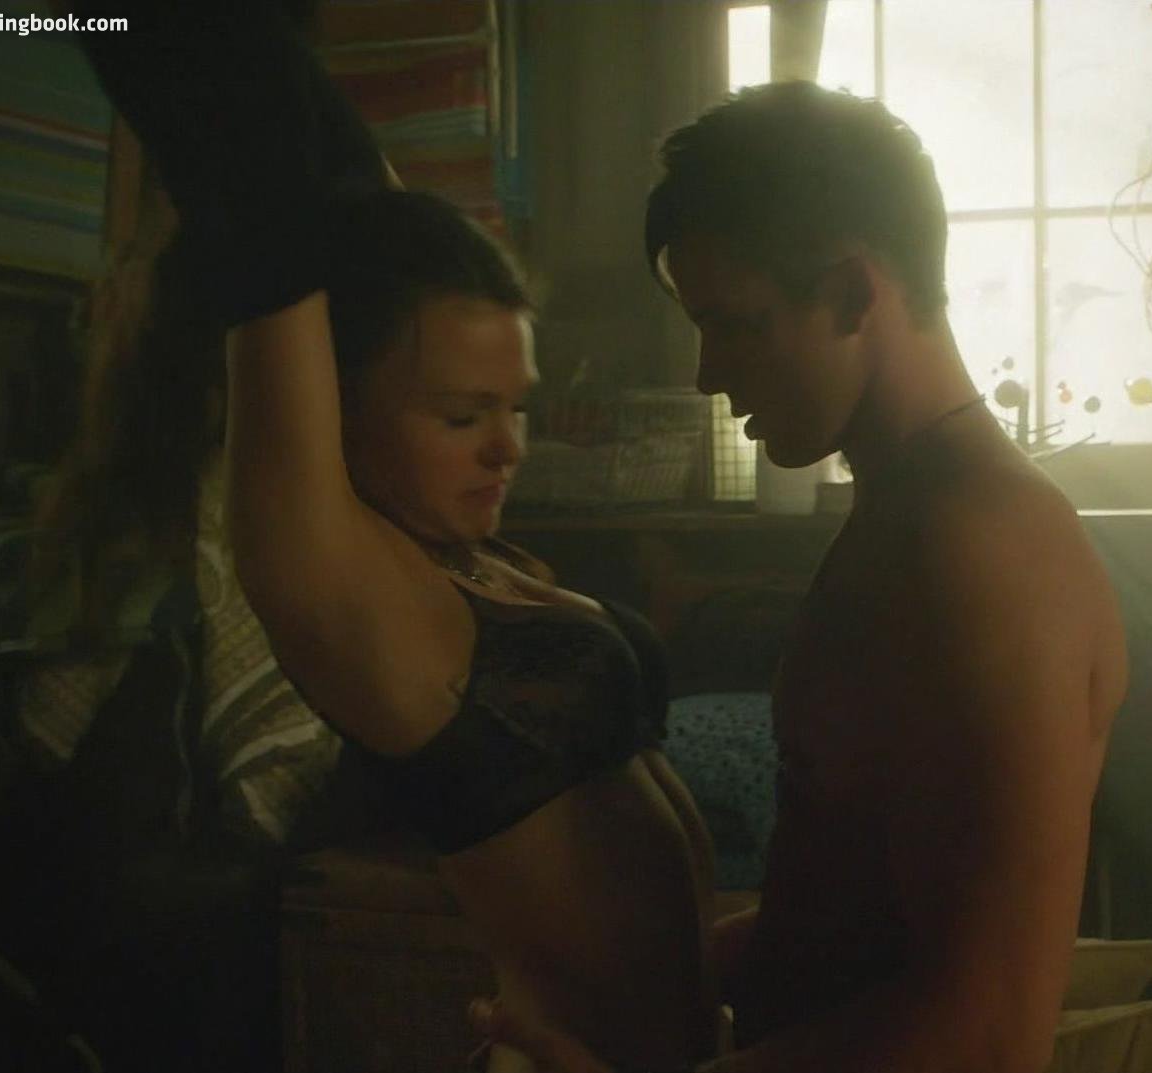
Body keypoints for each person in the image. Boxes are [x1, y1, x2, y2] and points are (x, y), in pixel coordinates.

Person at [73, 3, 721, 1070]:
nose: (506, 448)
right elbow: (260, 205)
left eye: (515, 407)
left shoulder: (463, 554)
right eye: (461, 416)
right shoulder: (333, 575)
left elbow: (357, 205)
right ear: (332, 407)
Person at [475, 80, 1129, 1073]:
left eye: (736, 323)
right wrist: (615, 983)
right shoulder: (910, 517)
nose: (708, 372)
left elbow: (990, 1035)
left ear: (857, 294)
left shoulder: (986, 550)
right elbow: (843, 921)